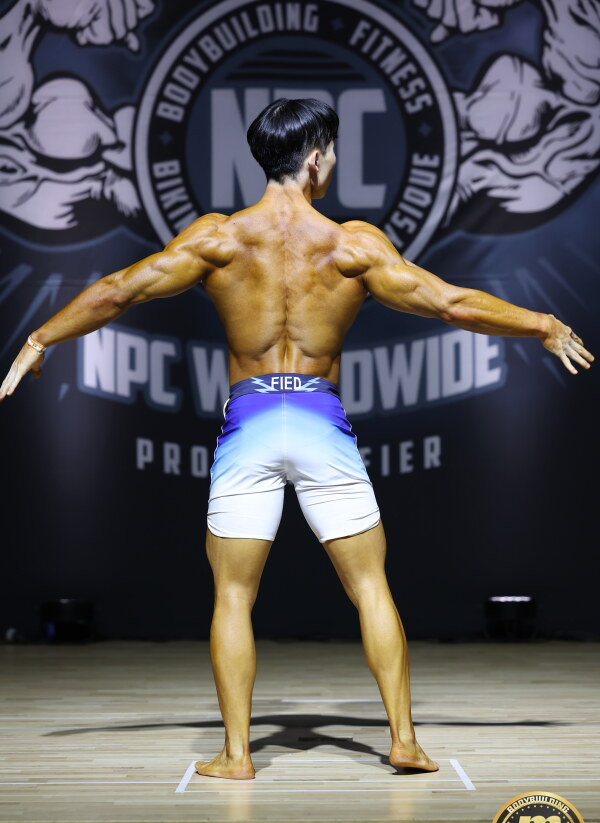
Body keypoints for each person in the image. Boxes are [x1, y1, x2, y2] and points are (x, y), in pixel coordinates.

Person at [0, 98, 593, 781]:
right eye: (332, 153)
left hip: (250, 425)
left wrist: (40, 337)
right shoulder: (351, 245)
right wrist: (541, 323)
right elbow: (450, 302)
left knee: (232, 595)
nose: (332, 164)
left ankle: (237, 755)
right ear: (314, 158)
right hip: (319, 421)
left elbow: (116, 291)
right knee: (370, 585)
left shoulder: (219, 239)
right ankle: (404, 741)